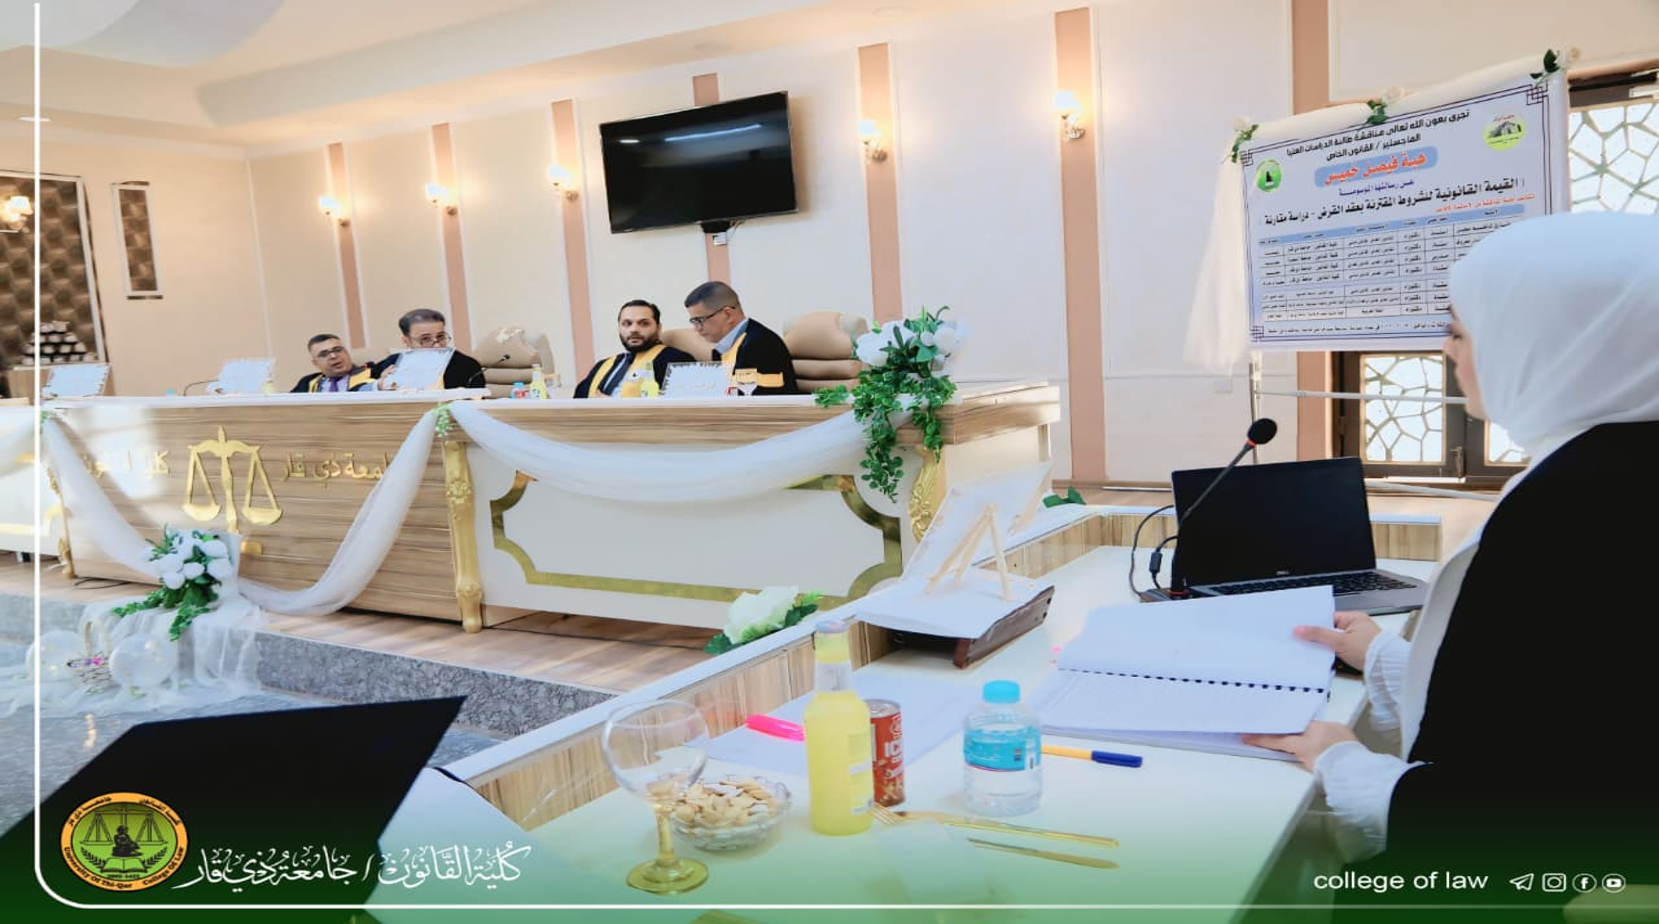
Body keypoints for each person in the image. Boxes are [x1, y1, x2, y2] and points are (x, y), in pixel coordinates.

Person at [1242, 212, 1659, 905]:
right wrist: (1382, 655)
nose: (1446, 350)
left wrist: (1342, 761)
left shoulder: (1582, 509)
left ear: (1551, 342)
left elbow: (1514, 807)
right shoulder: (1610, 465)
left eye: (1461, 332)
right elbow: (1550, 701)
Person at [683, 281, 799, 395]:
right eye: (693, 321)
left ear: (728, 314)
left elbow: (754, 399)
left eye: (699, 320)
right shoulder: (723, 348)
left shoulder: (759, 344)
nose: (697, 329)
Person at [573, 299, 694, 398]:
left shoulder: (677, 360)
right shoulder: (603, 365)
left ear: (658, 328)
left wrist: (616, 407)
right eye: (627, 324)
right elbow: (576, 403)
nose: (634, 329)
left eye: (644, 323)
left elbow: (683, 409)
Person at [372, 308, 485, 391]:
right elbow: (362, 386)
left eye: (440, 337)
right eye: (425, 339)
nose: (437, 345)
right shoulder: (394, 362)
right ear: (407, 341)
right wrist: (379, 385)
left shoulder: (466, 365)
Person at [289, 334, 376, 393]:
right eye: (324, 354)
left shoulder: (373, 373)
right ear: (315, 363)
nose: (333, 356)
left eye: (338, 350)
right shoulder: (307, 383)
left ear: (347, 352)